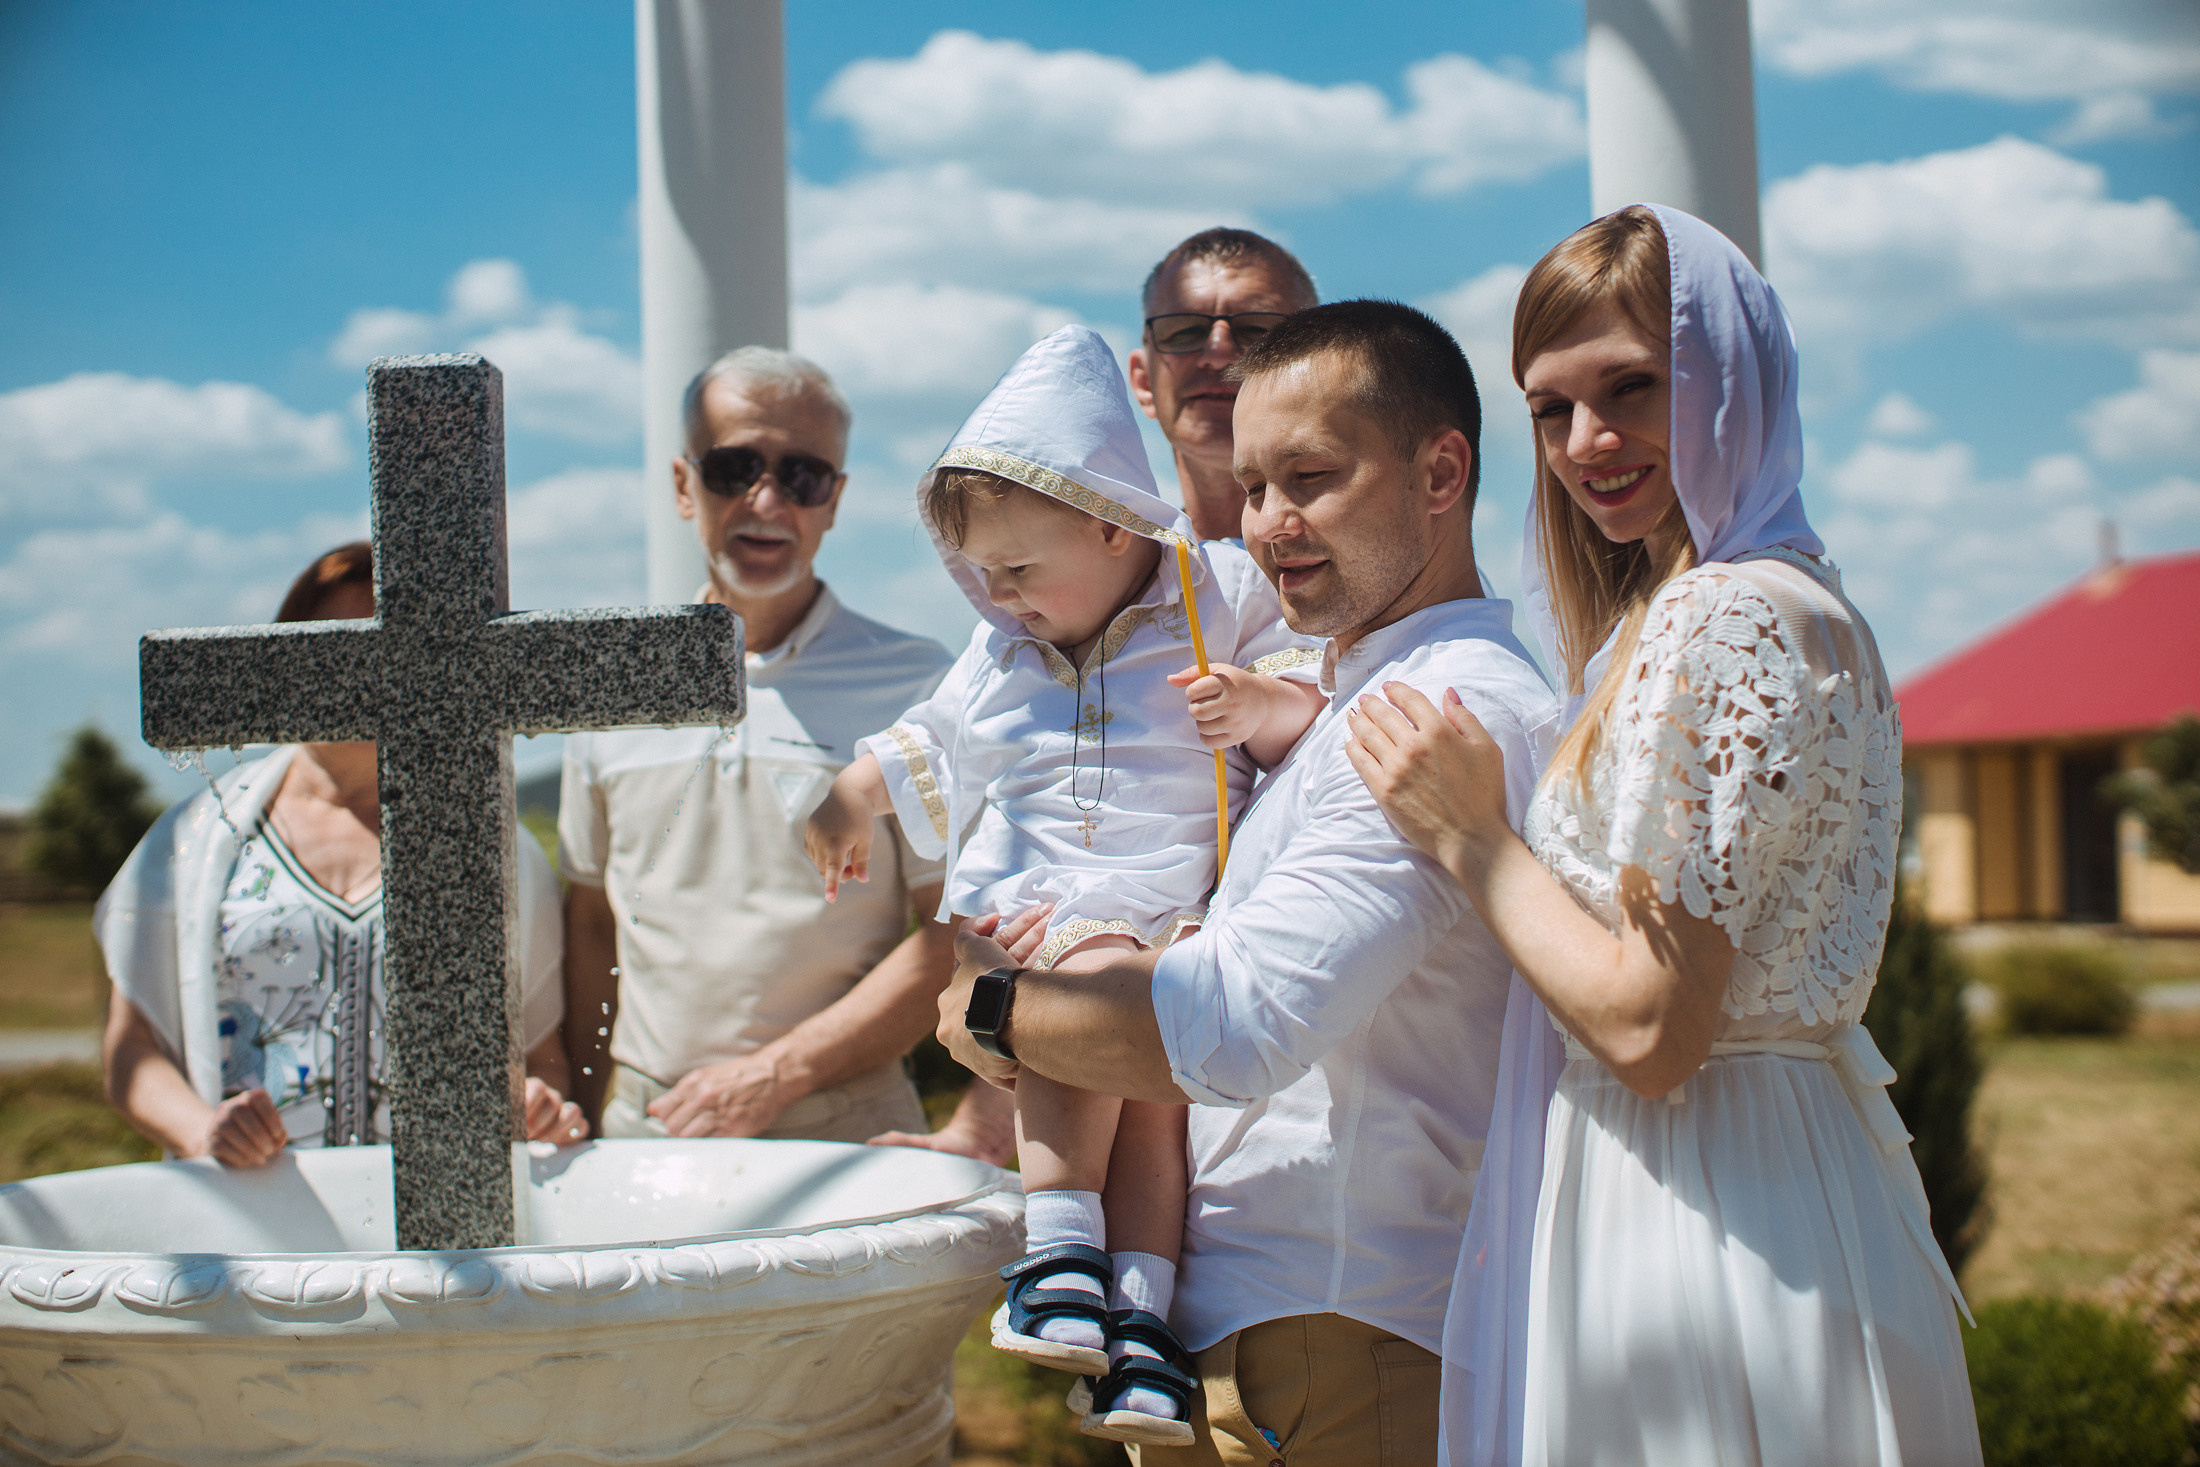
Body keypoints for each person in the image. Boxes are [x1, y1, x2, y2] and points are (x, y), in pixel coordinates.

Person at [1344, 205, 1982, 1465]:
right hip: (1801, 1183)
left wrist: (1472, 838)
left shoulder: (1716, 621)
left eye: (1633, 386)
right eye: (1548, 406)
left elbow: (1649, 1028)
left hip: (1697, 1213)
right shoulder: (1805, 602)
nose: (1587, 442)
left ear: (1729, 374)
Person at [936, 302, 1557, 1465]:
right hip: (1260, 1334)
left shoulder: (1437, 714)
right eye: (1255, 485)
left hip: (1340, 1334)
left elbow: (1232, 1028)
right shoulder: (1331, 710)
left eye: (1311, 478)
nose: (1272, 524)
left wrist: (989, 1010)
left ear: (1441, 469)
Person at [807, 325, 1325, 1448]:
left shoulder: (1215, 588)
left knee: (1154, 1115)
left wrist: (1268, 709)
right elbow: (937, 740)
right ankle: (1081, 1274)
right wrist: (856, 788)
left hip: (1168, 914)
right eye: (977, 577)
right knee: (1078, 1007)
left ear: (1109, 522)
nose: (998, 598)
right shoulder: (999, 652)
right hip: (1039, 909)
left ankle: (1118, 1308)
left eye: (1019, 570)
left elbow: (1310, 671)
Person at [562, 347, 1012, 1161]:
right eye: (734, 467)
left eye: (802, 476)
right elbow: (590, 925)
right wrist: (585, 1111)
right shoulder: (608, 684)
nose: (766, 499)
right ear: (681, 485)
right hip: (638, 1134)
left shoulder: (918, 686)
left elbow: (956, 927)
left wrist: (779, 1072)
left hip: (845, 1131)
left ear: (834, 500)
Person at [96, 542, 584, 1166]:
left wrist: (539, 1103)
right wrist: (203, 1131)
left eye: (387, 653)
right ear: (286, 660)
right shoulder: (193, 840)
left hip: (444, 1225)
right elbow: (131, 1051)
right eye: (337, 650)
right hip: (252, 1213)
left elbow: (541, 1055)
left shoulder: (493, 846)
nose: (362, 676)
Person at [1130, 228, 1319, 542]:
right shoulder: (1115, 587)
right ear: (1144, 382)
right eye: (1184, 331)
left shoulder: (1394, 576)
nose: (1218, 353)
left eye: (1257, 331)